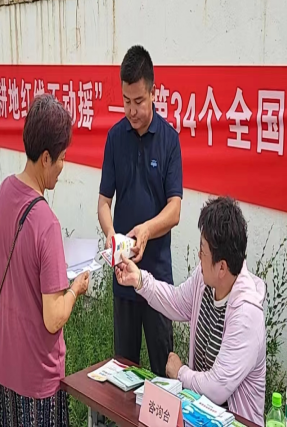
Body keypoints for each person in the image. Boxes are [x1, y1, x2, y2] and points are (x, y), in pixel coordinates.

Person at [115, 196, 266, 426]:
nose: (198, 256)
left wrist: (180, 373)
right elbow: (176, 302)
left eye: (202, 251)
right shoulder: (205, 280)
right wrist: (140, 280)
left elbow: (216, 388)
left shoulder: (247, 314)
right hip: (198, 414)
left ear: (222, 267)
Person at [0, 93, 90, 427]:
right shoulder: (46, 222)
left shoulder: (4, 192)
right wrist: (74, 289)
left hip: (5, 364)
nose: (62, 167)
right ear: (46, 158)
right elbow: (53, 318)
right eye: (62, 158)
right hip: (36, 378)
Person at [98, 45, 183, 377]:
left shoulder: (169, 140)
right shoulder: (115, 138)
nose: (132, 111)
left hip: (157, 278)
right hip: (123, 274)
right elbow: (104, 203)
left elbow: (174, 210)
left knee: (164, 370)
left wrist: (146, 230)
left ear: (153, 93)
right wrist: (111, 234)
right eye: (126, 101)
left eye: (138, 101)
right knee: (124, 370)